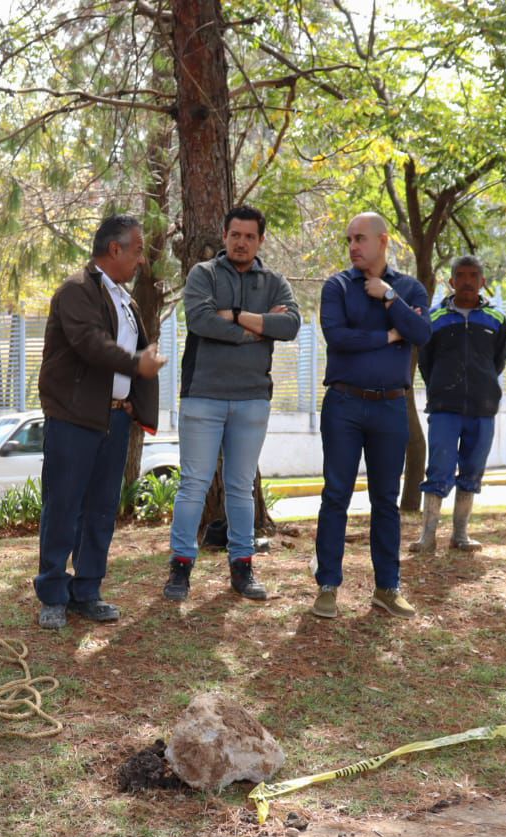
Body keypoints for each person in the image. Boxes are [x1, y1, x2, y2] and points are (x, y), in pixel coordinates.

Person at [34, 215, 167, 629]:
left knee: (101, 511)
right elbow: (91, 344)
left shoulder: (124, 300)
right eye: (138, 250)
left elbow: (126, 351)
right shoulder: (76, 291)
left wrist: (133, 402)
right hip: (74, 420)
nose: (142, 260)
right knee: (64, 508)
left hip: (114, 421)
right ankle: (53, 594)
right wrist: (137, 364)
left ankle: (87, 591)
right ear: (115, 249)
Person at [163, 205, 301, 603]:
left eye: (250, 236)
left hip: (252, 399)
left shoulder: (274, 282)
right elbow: (201, 320)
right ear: (224, 237)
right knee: (193, 485)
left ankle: (242, 568)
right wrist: (256, 329)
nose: (242, 242)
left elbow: (290, 324)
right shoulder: (202, 274)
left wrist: (237, 314)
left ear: (260, 241)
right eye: (235, 235)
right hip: (202, 396)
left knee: (240, 488)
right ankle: (181, 568)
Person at [311, 212, 431, 620]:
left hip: (391, 406)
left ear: (383, 241)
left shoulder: (410, 288)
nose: (353, 247)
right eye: (349, 240)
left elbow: (421, 334)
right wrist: (387, 336)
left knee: (385, 500)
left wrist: (390, 299)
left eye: (360, 238)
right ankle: (327, 586)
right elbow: (338, 338)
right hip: (344, 404)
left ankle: (387, 587)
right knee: (336, 495)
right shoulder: (337, 286)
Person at [411, 254, 506, 554]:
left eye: (473, 275)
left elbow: (498, 362)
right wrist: (442, 388)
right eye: (461, 275)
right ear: (451, 282)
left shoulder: (496, 319)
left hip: (483, 409)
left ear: (483, 282)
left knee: (472, 469)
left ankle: (460, 534)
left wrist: (483, 387)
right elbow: (425, 362)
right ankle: (428, 536)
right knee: (438, 469)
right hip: (444, 409)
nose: (467, 281)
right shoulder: (434, 318)